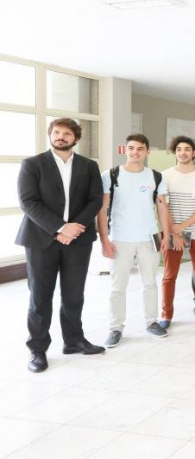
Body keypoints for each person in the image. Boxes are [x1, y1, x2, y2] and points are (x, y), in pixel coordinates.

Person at [17, 118, 105, 372]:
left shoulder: (88, 166)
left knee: (74, 294)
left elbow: (95, 200)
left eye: (67, 133)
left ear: (75, 139)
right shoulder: (33, 164)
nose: (61, 137)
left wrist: (74, 228)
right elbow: (28, 202)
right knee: (40, 296)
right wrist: (60, 227)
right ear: (50, 135)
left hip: (78, 240)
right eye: (56, 132)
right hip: (40, 240)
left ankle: (74, 340)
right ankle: (37, 350)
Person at [97, 134, 171, 347]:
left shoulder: (155, 177)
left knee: (150, 283)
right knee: (117, 286)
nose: (135, 152)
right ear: (125, 150)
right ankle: (116, 327)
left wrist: (165, 234)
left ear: (147, 151)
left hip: (148, 238)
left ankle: (151, 322)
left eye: (140, 149)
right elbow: (102, 210)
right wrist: (104, 240)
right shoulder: (110, 175)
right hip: (120, 239)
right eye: (131, 148)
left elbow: (162, 207)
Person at [160, 136, 195, 327]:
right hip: (172, 231)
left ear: (194, 152)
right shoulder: (165, 175)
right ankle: (166, 314)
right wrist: (175, 231)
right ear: (174, 152)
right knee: (169, 275)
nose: (183, 152)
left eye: (187, 149)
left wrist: (182, 227)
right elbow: (162, 205)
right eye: (179, 149)